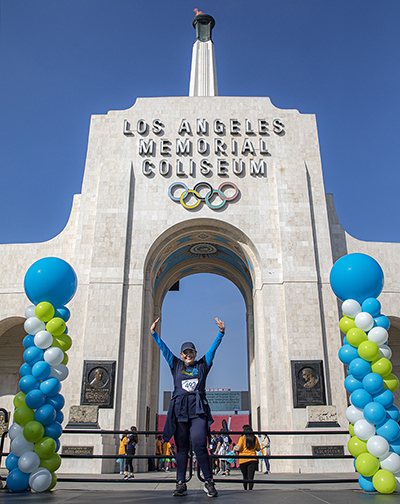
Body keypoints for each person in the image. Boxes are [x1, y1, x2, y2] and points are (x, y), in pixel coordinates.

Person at [150, 316, 225, 498]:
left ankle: (208, 481)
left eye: (191, 353)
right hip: (180, 412)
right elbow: (164, 349)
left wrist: (220, 333)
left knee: (200, 445)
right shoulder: (175, 364)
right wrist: (154, 334)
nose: (189, 355)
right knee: (182, 448)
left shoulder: (202, 365)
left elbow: (212, 350)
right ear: (182, 355)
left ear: (195, 353)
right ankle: (180, 482)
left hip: (198, 411)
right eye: (186, 353)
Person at [234, 425, 260, 490]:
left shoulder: (242, 438)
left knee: (245, 476)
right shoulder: (255, 438)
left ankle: (245, 489)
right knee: (251, 477)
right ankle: (250, 489)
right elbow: (258, 448)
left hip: (243, 459)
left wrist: (235, 448)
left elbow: (239, 448)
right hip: (253, 459)